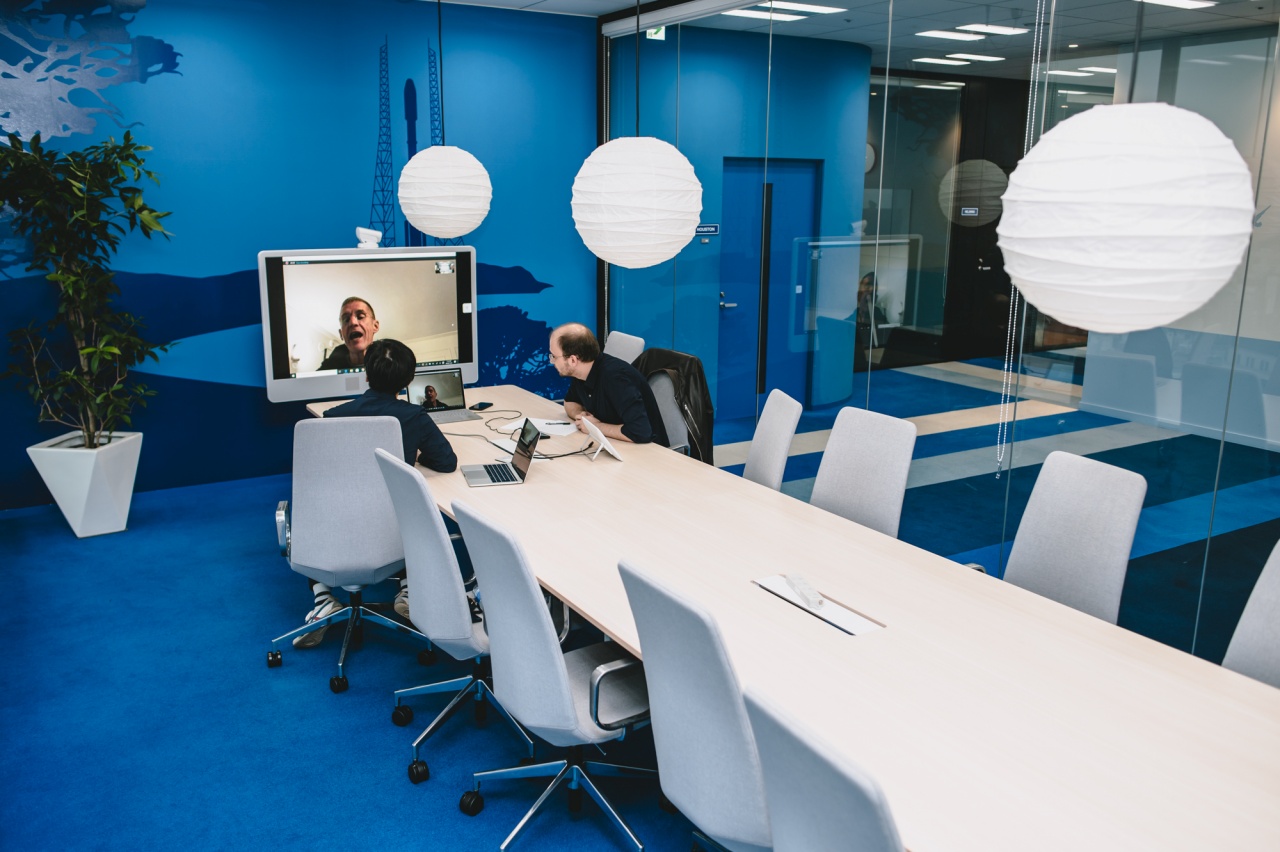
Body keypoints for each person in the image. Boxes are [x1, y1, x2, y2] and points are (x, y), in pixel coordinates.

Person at [293, 338, 457, 649]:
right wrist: (417, 457)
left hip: (334, 530)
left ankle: (324, 599)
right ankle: (408, 590)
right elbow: (447, 463)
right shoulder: (413, 416)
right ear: (409, 380)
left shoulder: (334, 416)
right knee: (410, 509)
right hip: (392, 531)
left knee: (318, 508)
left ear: (366, 375)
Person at [551, 322, 669, 447]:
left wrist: (594, 426)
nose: (552, 361)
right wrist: (581, 416)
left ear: (573, 360)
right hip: (618, 445)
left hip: (650, 452)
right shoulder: (581, 372)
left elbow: (640, 432)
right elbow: (570, 402)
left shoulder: (616, 379)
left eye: (554, 356)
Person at [318, 296, 379, 370]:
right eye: (346, 319)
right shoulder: (328, 368)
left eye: (360, 317)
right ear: (341, 334)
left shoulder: (391, 363)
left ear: (375, 326)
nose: (352, 323)